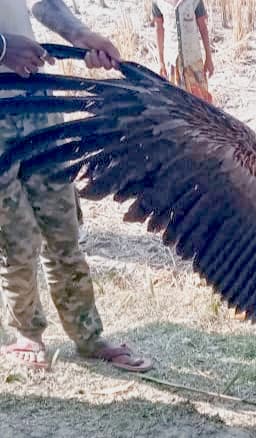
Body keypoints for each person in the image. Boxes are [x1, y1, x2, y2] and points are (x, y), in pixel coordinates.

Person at [0, 0, 153, 372]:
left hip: (37, 102)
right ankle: (27, 335)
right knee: (16, 238)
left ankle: (87, 335)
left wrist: (81, 36)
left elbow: (42, 3)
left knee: (64, 227)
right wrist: (3, 47)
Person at [152, 0, 214, 103]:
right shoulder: (158, 2)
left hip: (193, 60)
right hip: (172, 61)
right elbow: (159, 29)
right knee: (177, 102)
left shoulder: (195, 1)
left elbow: (203, 28)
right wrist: (161, 62)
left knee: (201, 101)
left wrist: (209, 58)